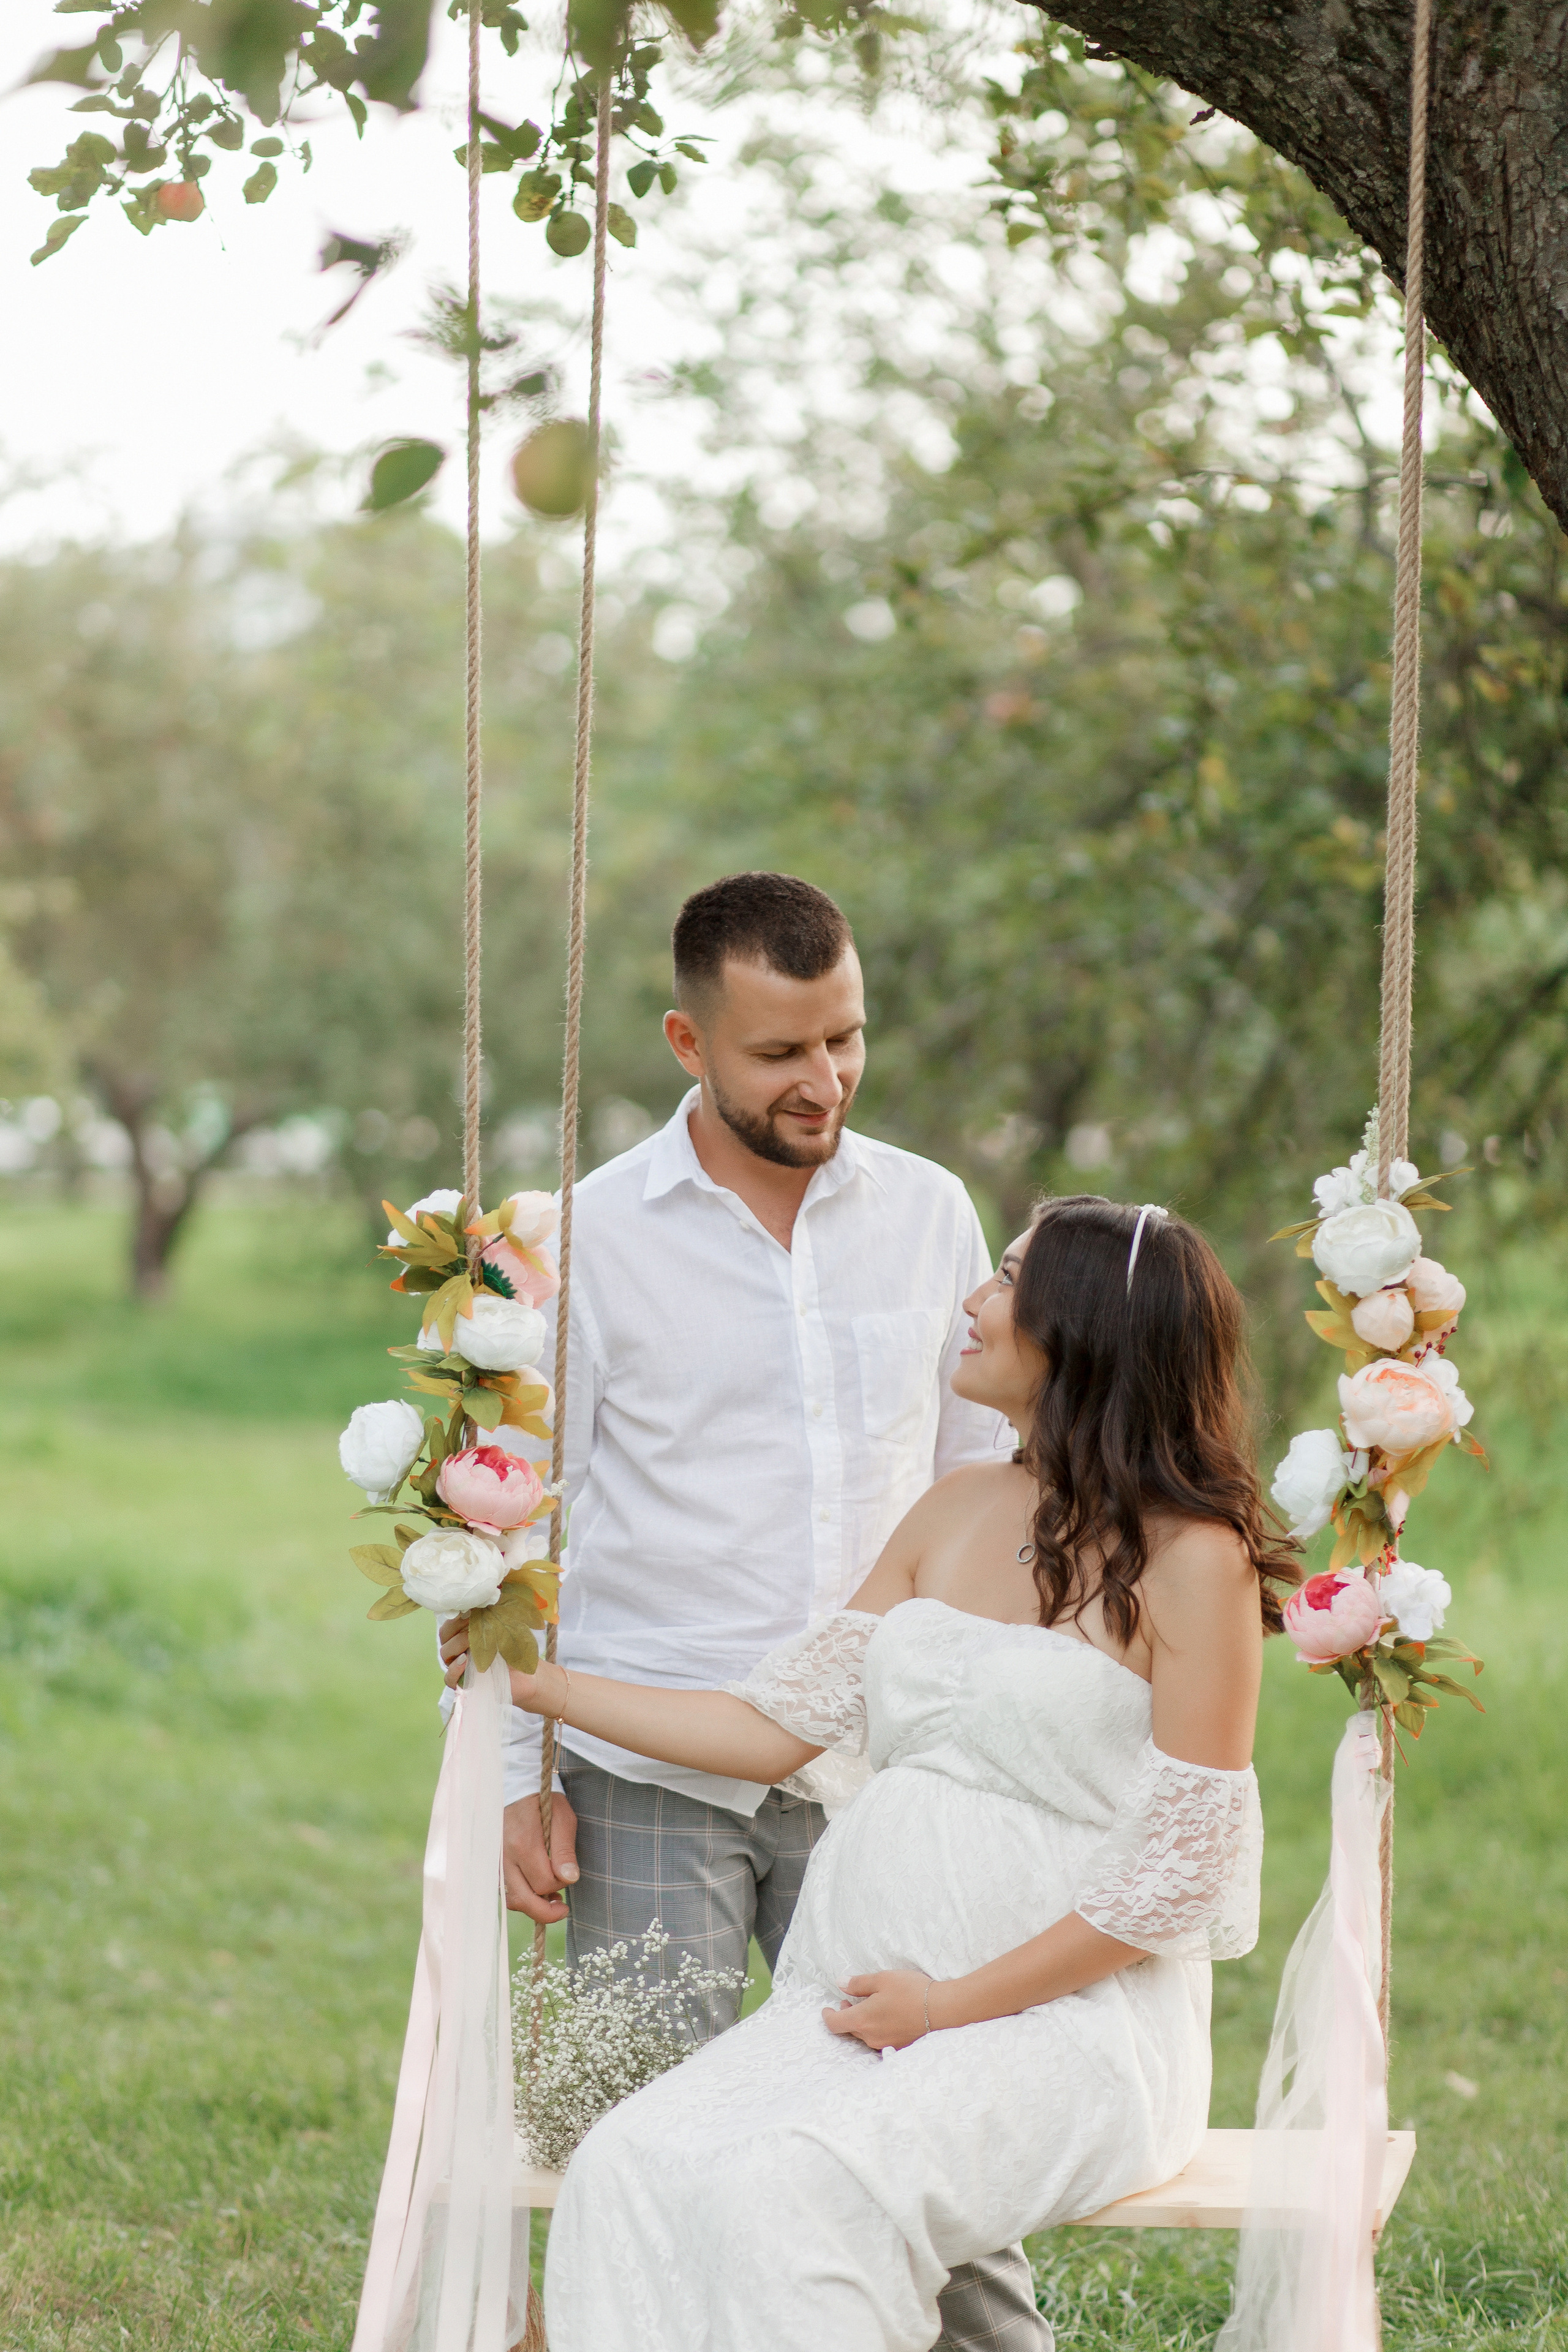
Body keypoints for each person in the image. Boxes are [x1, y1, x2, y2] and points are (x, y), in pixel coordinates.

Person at [462, 1194, 1295, 2351]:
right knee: (632, 2161)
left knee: (801, 2190)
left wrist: (948, 2006)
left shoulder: (1192, 1558)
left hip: (1071, 2026)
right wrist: (544, 1687)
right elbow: (771, 1727)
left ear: (1088, 1327)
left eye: (1009, 1282)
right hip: (861, 2007)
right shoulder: (955, 1508)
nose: (973, 1300)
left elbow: (1173, 1879)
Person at [447, 870, 1044, 2350]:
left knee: (932, 2148)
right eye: (780, 1052)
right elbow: (511, 1529)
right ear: (684, 1041)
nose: (823, 1079)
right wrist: (514, 1784)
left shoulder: (927, 1212)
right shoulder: (580, 1240)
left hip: (883, 1774)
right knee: (632, 2156)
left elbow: (989, 1489)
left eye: (843, 1038)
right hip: (648, 1766)